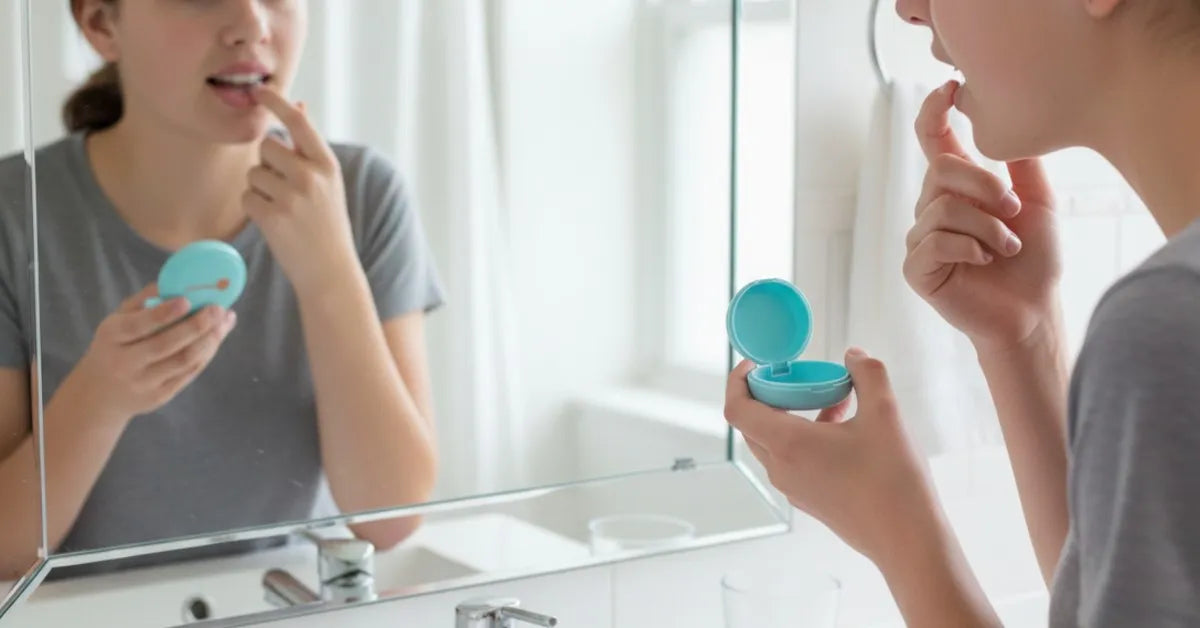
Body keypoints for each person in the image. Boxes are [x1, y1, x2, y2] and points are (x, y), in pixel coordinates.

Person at [725, 0, 1200, 625]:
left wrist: (901, 536)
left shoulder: (1169, 324)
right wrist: (1021, 341)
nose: (907, 8)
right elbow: (1118, 587)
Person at [0, 0, 443, 580]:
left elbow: (389, 520)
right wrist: (98, 397)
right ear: (102, 25)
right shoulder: (14, 213)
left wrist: (331, 274)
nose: (253, 26)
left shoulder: (360, 194)